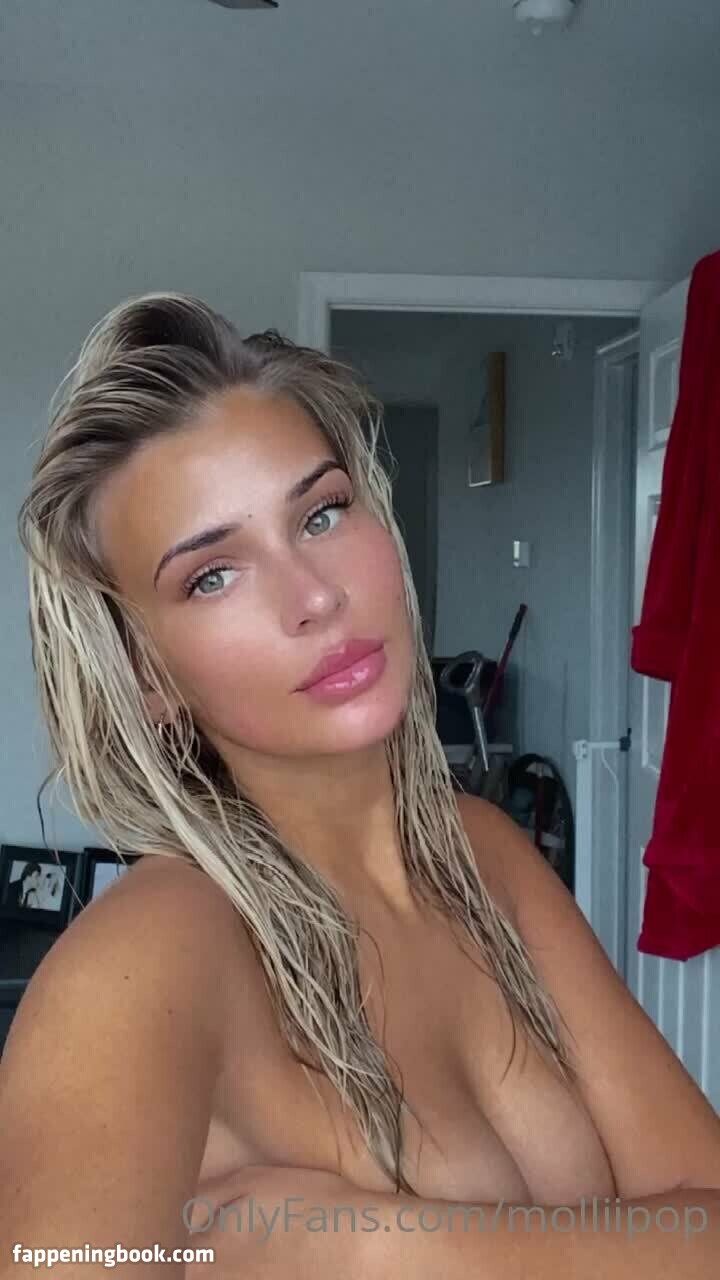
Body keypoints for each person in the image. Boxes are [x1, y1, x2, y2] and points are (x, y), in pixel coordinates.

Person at [0, 292, 718, 1278]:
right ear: (146, 676)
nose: (316, 595)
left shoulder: (482, 853)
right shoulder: (140, 965)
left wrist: (376, 1247)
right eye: (211, 575)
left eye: (322, 513)